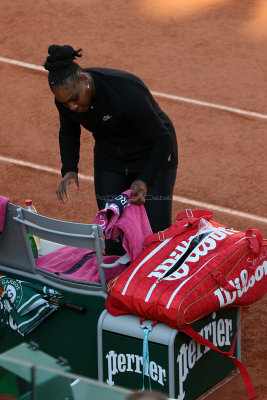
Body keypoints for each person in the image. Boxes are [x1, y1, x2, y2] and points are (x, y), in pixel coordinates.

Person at [44, 45, 178, 253]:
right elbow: (69, 131)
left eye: (74, 99)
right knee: (112, 232)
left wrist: (145, 180)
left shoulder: (125, 90)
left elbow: (162, 138)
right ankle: (118, 283)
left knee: (157, 236)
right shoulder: (65, 98)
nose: (72, 107)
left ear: (84, 80)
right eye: (65, 103)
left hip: (152, 151)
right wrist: (69, 168)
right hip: (111, 155)